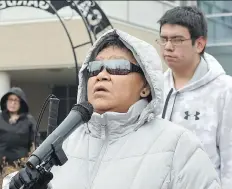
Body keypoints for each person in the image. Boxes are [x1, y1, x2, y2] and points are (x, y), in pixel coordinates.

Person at [7, 29, 220, 189]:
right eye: (95, 68)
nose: (102, 75)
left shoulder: (179, 146)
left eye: (118, 67)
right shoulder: (65, 143)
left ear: (146, 86)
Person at [156, 6, 232, 189]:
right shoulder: (155, 87)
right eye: (164, 39)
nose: (168, 47)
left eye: (177, 40)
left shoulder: (225, 90)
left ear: (199, 44)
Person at [0, 87, 40, 165]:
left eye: (16, 100)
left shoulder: (29, 121)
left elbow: (35, 142)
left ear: (21, 103)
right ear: (6, 101)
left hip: (19, 165)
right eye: (10, 99)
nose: (13, 103)